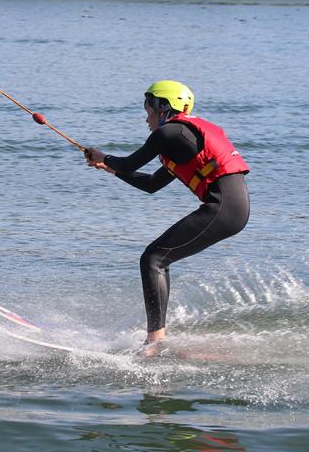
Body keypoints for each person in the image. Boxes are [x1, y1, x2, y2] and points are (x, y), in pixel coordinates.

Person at [85, 80, 250, 355]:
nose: (145, 116)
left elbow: (127, 163)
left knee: (154, 259)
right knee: (157, 258)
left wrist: (106, 157)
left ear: (163, 106)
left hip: (224, 207)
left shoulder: (170, 133)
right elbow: (151, 184)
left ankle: (155, 342)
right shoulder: (181, 140)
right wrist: (109, 167)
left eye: (148, 107)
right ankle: (156, 338)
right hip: (229, 207)